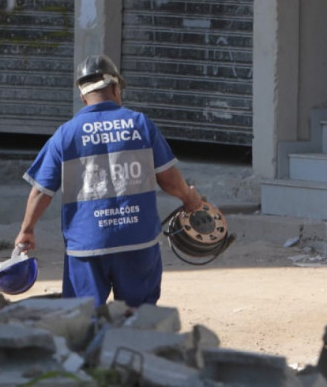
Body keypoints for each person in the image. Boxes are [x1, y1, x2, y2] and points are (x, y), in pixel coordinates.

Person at [15, 53, 203, 307]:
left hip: (87, 247)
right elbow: (169, 180)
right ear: (115, 88)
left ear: (83, 97)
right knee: (139, 319)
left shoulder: (65, 135)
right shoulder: (140, 125)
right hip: (138, 242)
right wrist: (189, 198)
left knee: (82, 319)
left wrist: (27, 230)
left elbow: (41, 192)